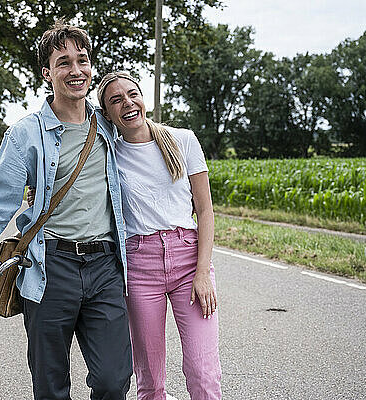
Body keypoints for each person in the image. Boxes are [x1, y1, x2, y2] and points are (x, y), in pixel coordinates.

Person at [0, 23, 132, 400]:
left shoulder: (108, 124)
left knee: (113, 380)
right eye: (63, 62)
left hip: (106, 266)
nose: (76, 70)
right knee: (50, 386)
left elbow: (145, 149)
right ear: (47, 73)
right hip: (50, 267)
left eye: (82, 60)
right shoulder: (25, 134)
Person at [97, 71, 222, 400]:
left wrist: (203, 274)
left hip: (188, 260)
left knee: (202, 370)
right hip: (139, 266)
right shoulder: (109, 155)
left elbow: (205, 211)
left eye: (132, 94)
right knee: (150, 379)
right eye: (116, 100)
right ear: (107, 113)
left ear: (143, 98)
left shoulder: (182, 140)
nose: (127, 103)